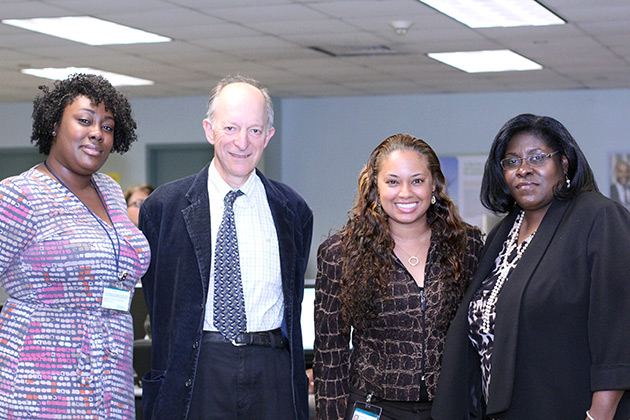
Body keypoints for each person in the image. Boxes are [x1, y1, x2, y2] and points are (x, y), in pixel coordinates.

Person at [432, 114, 630, 420]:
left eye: (537, 158)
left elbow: (618, 332)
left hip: (570, 410)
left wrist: (598, 416)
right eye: (511, 162)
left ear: (564, 164)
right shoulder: (503, 232)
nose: (523, 169)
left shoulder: (598, 218)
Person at [138, 75, 313, 420]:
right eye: (230, 128)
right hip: (197, 369)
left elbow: (293, 298)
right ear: (209, 130)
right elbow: (159, 300)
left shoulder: (293, 210)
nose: (242, 142)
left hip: (272, 372)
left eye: (254, 130)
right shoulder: (164, 207)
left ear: (269, 136)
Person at [0, 73, 150, 419]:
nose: (97, 133)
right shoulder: (20, 196)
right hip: (41, 382)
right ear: (54, 125)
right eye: (84, 120)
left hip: (111, 375)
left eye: (108, 126)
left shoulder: (111, 193)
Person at [314, 134, 484, 420]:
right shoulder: (340, 253)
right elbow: (330, 354)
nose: (405, 192)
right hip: (373, 407)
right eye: (392, 181)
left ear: (435, 186)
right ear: (375, 188)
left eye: (417, 180)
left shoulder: (466, 246)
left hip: (448, 408)